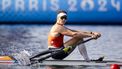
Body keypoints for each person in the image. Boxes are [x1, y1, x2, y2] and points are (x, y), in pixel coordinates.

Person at [30, 10, 101, 62]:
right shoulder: (58, 27)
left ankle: (87, 60)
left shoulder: (61, 27)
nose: (64, 19)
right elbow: (74, 34)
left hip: (58, 50)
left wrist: (92, 33)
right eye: (62, 17)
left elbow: (76, 31)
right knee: (79, 37)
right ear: (58, 18)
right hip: (56, 53)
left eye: (65, 18)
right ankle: (87, 60)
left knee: (79, 37)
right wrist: (91, 36)